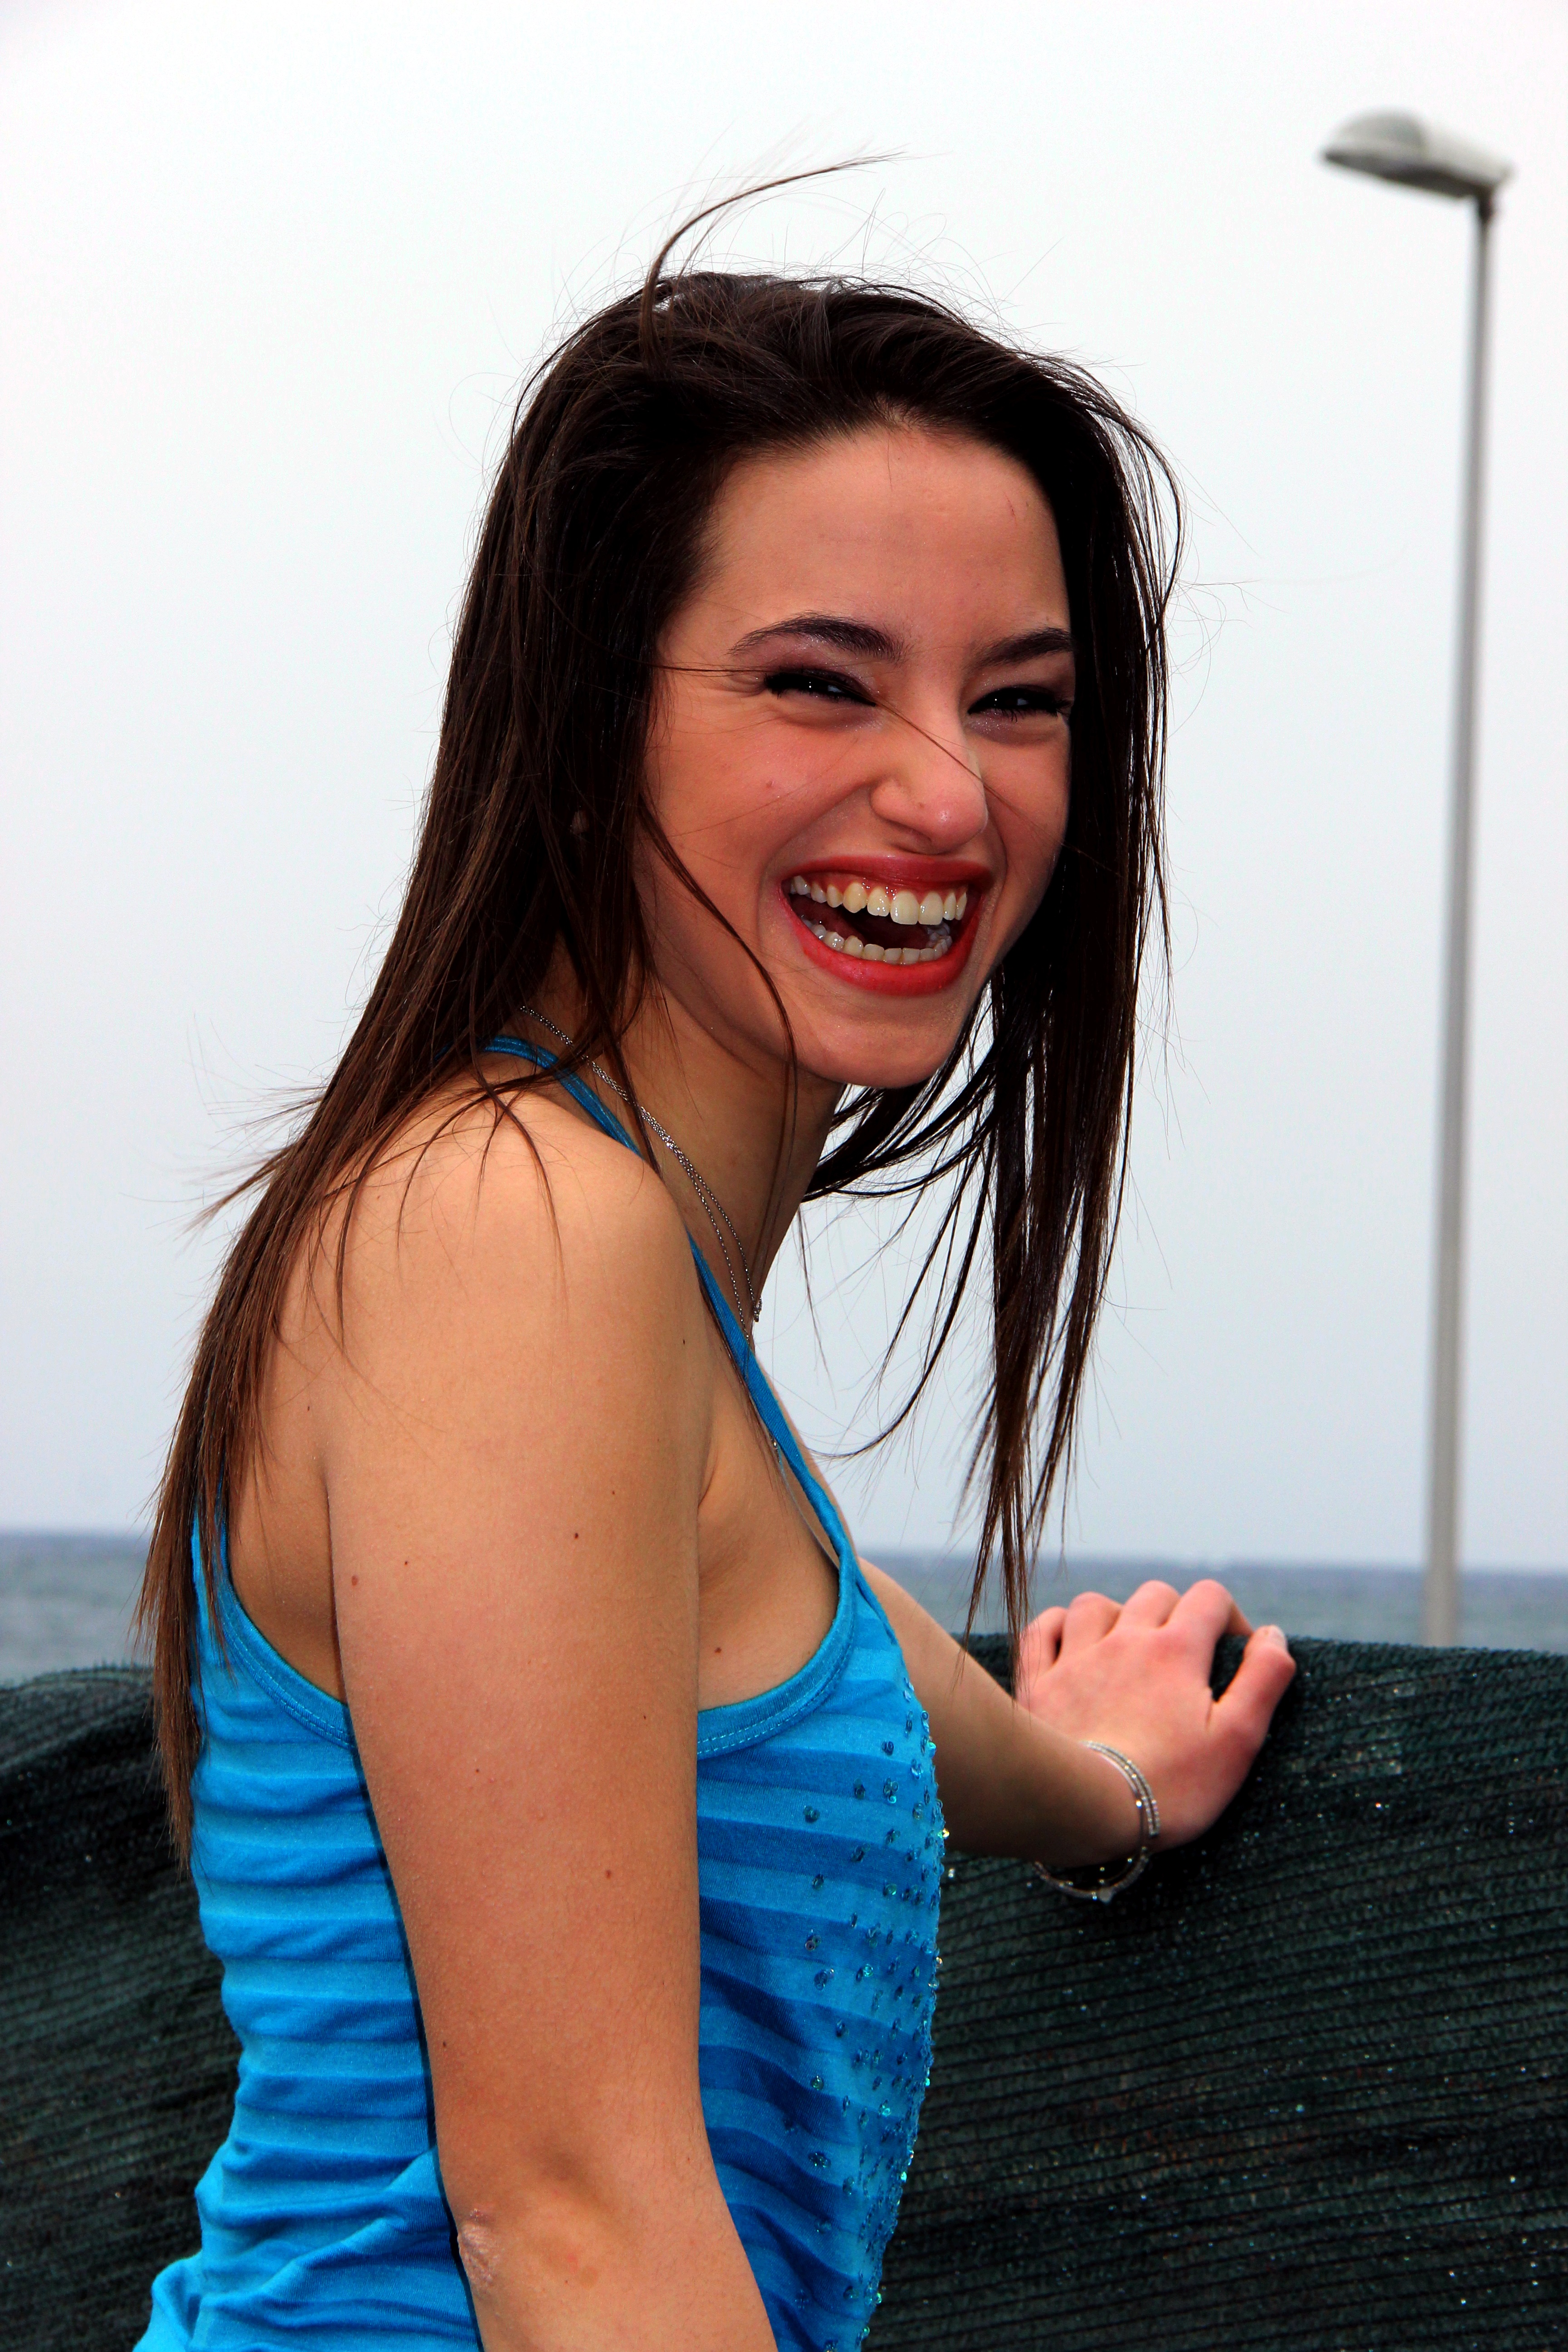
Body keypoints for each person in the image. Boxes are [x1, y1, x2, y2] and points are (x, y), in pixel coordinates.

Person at [135, 250, 1296, 2352]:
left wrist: (1101, 1789)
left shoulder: (619, 1272)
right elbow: (574, 2217)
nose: (950, 793)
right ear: (590, 723)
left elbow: (816, 1640)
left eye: (1020, 700)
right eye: (822, 683)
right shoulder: (512, 1232)